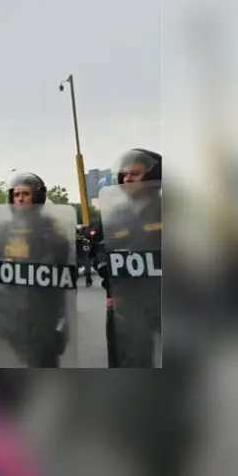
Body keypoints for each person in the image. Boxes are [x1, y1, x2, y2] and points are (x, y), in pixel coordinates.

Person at [0, 172, 72, 367]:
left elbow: (62, 265)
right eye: (16, 195)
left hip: (43, 309)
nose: (20, 199)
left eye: (25, 194)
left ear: (37, 197)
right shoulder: (3, 230)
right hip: (12, 311)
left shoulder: (51, 228)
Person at [99, 148, 162, 368]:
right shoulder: (116, 215)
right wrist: (110, 290)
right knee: (134, 358)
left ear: (152, 176)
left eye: (134, 173)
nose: (127, 179)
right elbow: (105, 254)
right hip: (131, 298)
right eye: (124, 174)